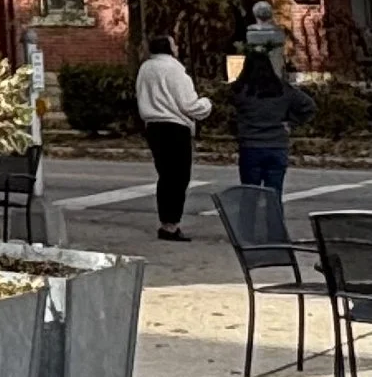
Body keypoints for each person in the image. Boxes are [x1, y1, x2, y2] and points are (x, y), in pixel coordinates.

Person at [135, 31, 211, 241]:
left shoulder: (146, 68)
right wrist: (206, 104)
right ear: (168, 48)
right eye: (174, 44)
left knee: (165, 175)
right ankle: (172, 224)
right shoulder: (175, 70)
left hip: (153, 126)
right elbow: (188, 104)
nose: (177, 47)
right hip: (175, 126)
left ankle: (165, 221)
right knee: (179, 177)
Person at [227, 44, 315, 202]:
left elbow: (230, 115)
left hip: (250, 145)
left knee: (249, 196)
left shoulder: (240, 91)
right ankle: (273, 225)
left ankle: (247, 227)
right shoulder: (282, 89)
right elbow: (308, 106)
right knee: (274, 196)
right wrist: (291, 123)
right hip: (276, 144)